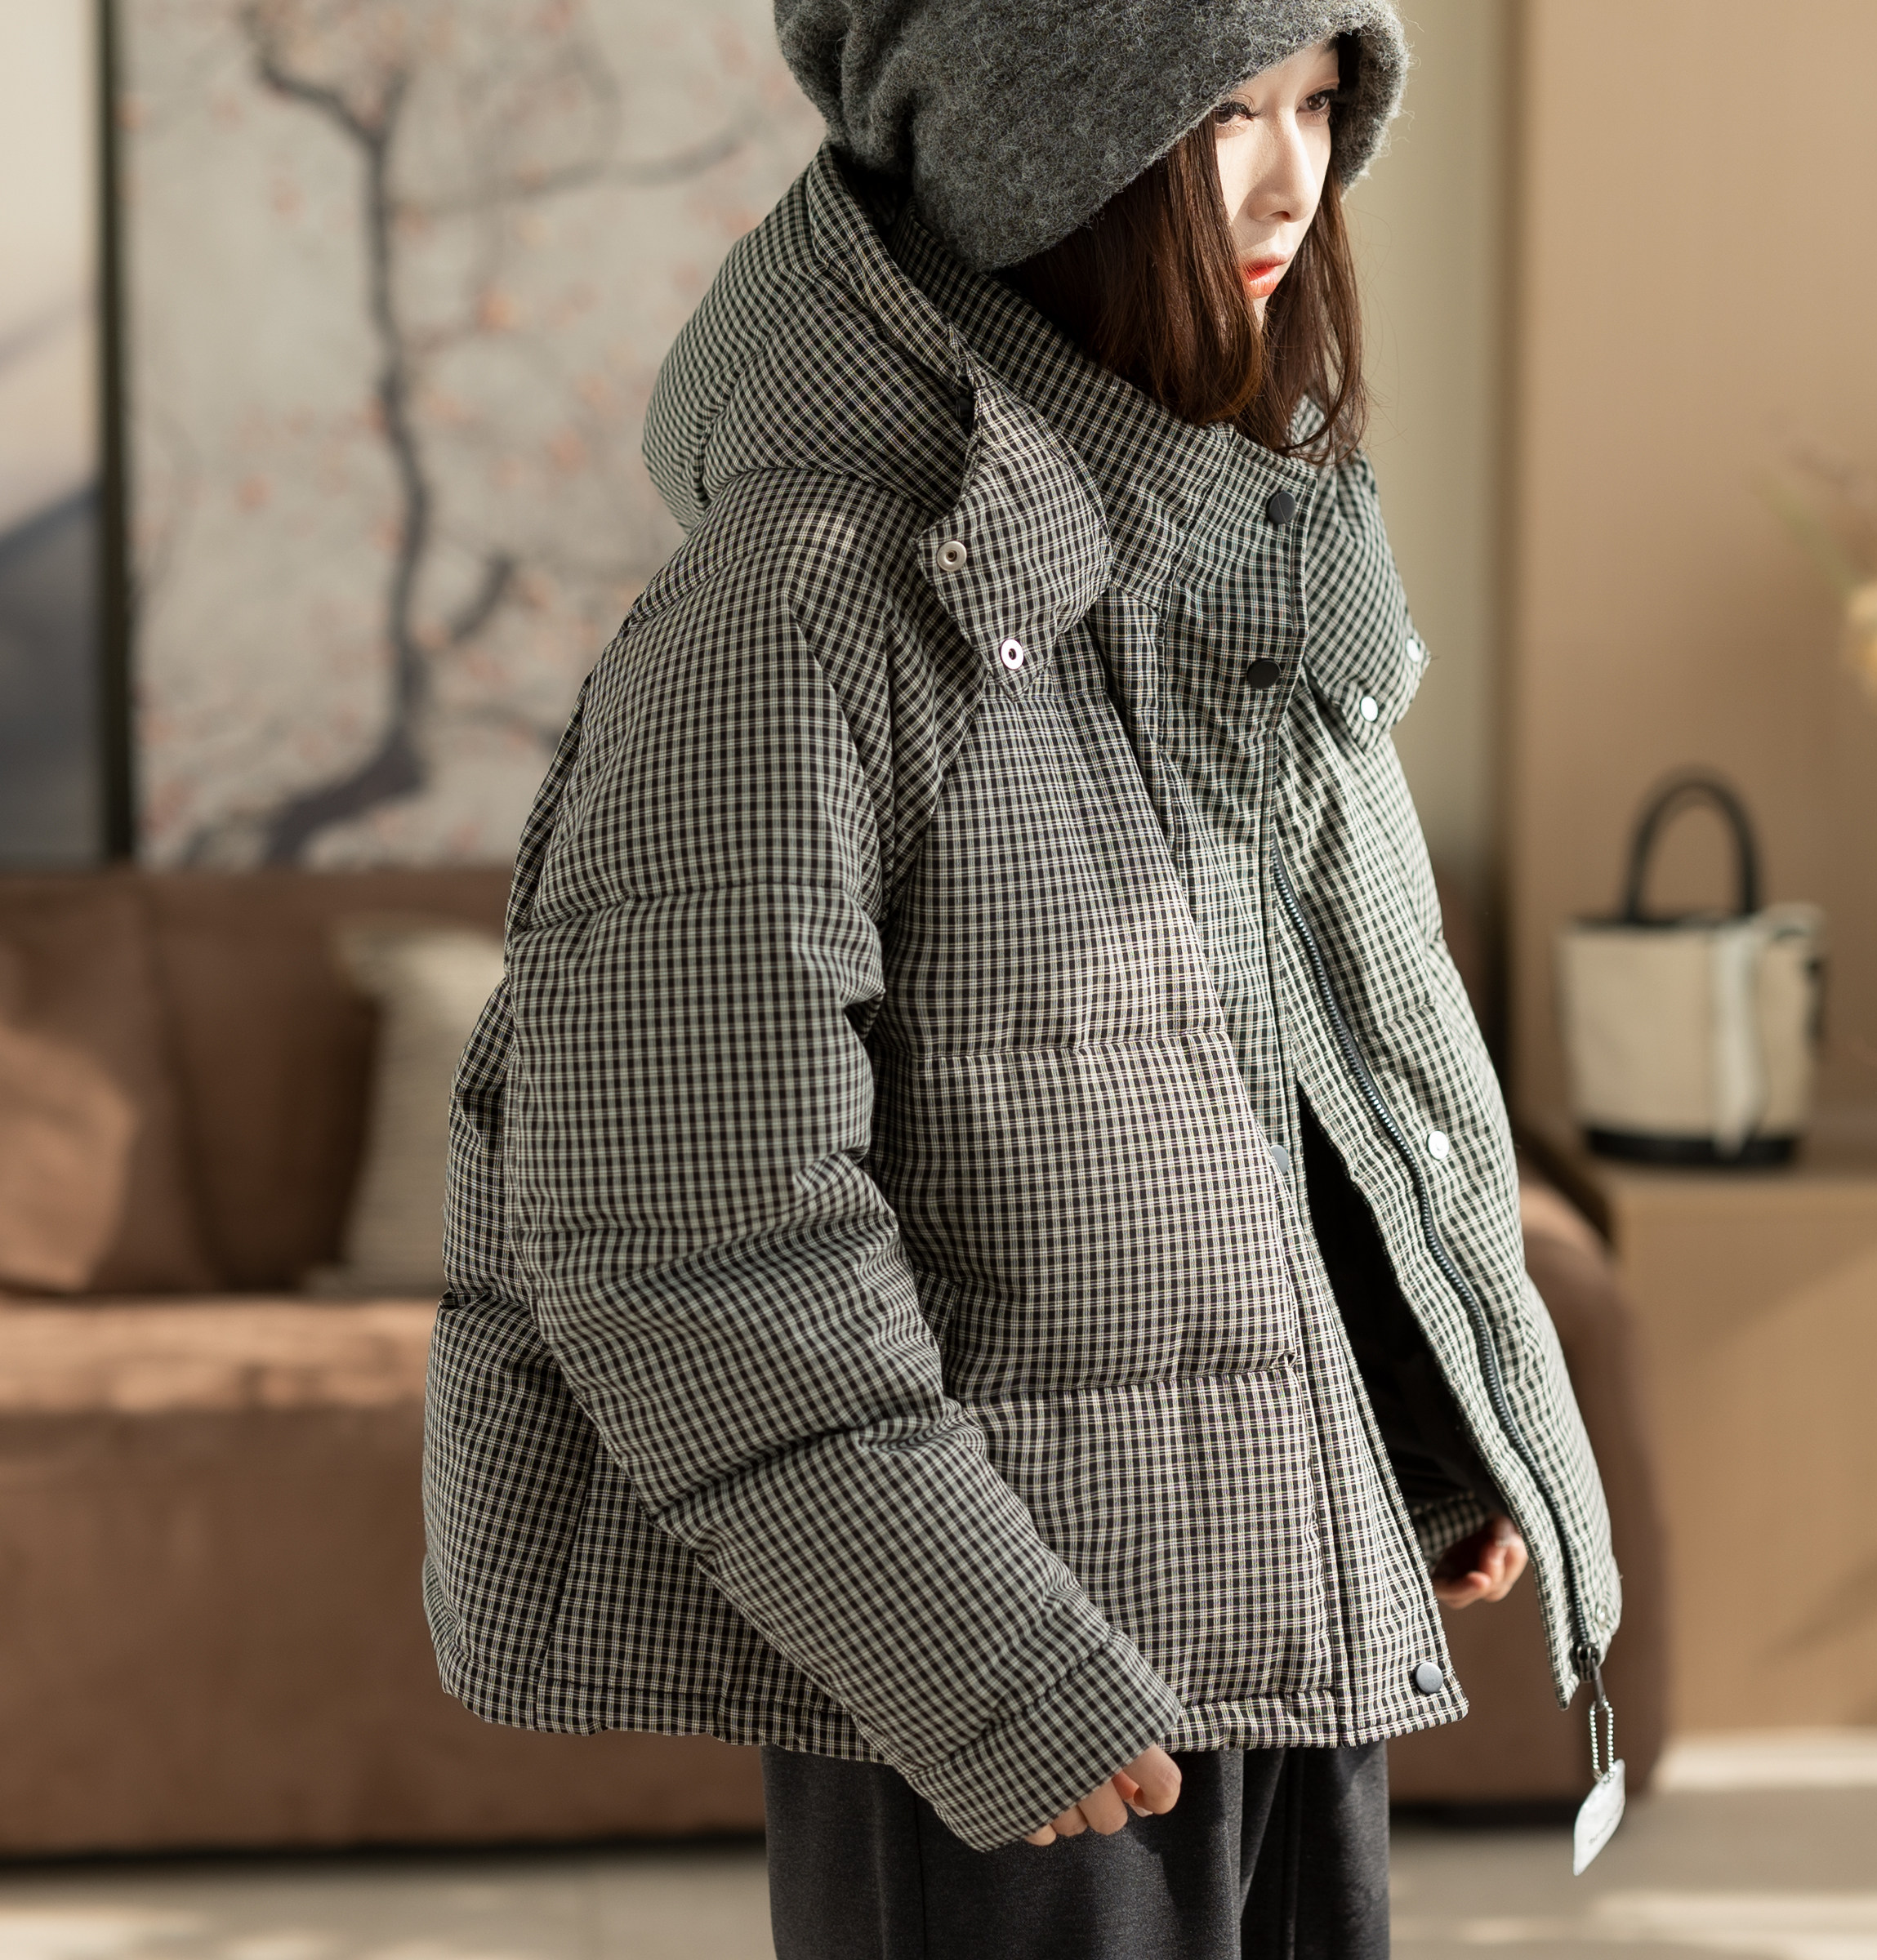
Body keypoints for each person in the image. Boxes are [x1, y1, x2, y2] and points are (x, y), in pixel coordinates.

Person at [421, 2, 1621, 1953]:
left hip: (1276, 1635)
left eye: (1321, 103)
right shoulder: (798, 612)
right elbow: (679, 1211)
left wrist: (1421, 1426)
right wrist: (980, 1661)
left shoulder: (1223, 551)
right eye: (1219, 111)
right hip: (1010, 1705)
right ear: (1028, 146)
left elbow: (1294, 1068)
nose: (1291, 179)